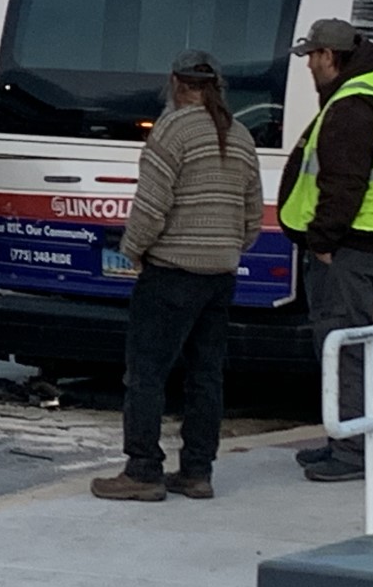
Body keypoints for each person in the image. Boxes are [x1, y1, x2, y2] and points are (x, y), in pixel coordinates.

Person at [92, 50, 263, 502]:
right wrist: (226, 249)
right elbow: (252, 215)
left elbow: (151, 205)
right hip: (220, 274)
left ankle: (143, 470)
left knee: (146, 372)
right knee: (206, 376)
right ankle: (197, 472)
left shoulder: (171, 130)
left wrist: (131, 251)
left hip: (171, 272)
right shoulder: (241, 134)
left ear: (175, 82)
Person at [278, 19, 373, 482]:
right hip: (366, 242)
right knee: (346, 347)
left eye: (312, 57)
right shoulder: (372, 92)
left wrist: (322, 241)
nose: (309, 66)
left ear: (329, 57)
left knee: (342, 347)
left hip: (348, 249)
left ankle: (350, 452)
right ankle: (343, 439)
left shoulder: (354, 104)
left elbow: (343, 184)